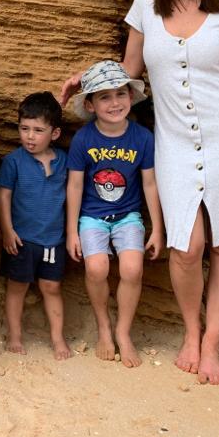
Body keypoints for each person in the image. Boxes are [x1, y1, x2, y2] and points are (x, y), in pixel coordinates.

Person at [60, 0, 219, 385]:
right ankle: (191, 331)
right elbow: (129, 72)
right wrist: (88, 79)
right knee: (186, 247)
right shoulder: (145, 8)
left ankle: (211, 343)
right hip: (173, 142)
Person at [65, 61, 163, 366]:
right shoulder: (84, 139)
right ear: (90, 105)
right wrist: (71, 232)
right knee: (96, 269)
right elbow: (75, 186)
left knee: (132, 269)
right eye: (104, 97)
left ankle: (123, 331)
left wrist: (157, 229)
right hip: (92, 217)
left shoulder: (142, 138)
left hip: (128, 216)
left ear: (131, 97)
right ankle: (104, 327)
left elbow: (150, 183)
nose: (114, 102)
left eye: (120, 93)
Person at [0, 92, 71, 360]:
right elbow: (4, 196)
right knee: (17, 286)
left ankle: (57, 338)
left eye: (38, 130)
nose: (30, 136)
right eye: (24, 128)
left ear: (55, 133)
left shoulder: (64, 161)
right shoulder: (14, 161)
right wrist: (7, 230)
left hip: (54, 240)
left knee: (52, 287)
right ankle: (15, 335)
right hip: (22, 239)